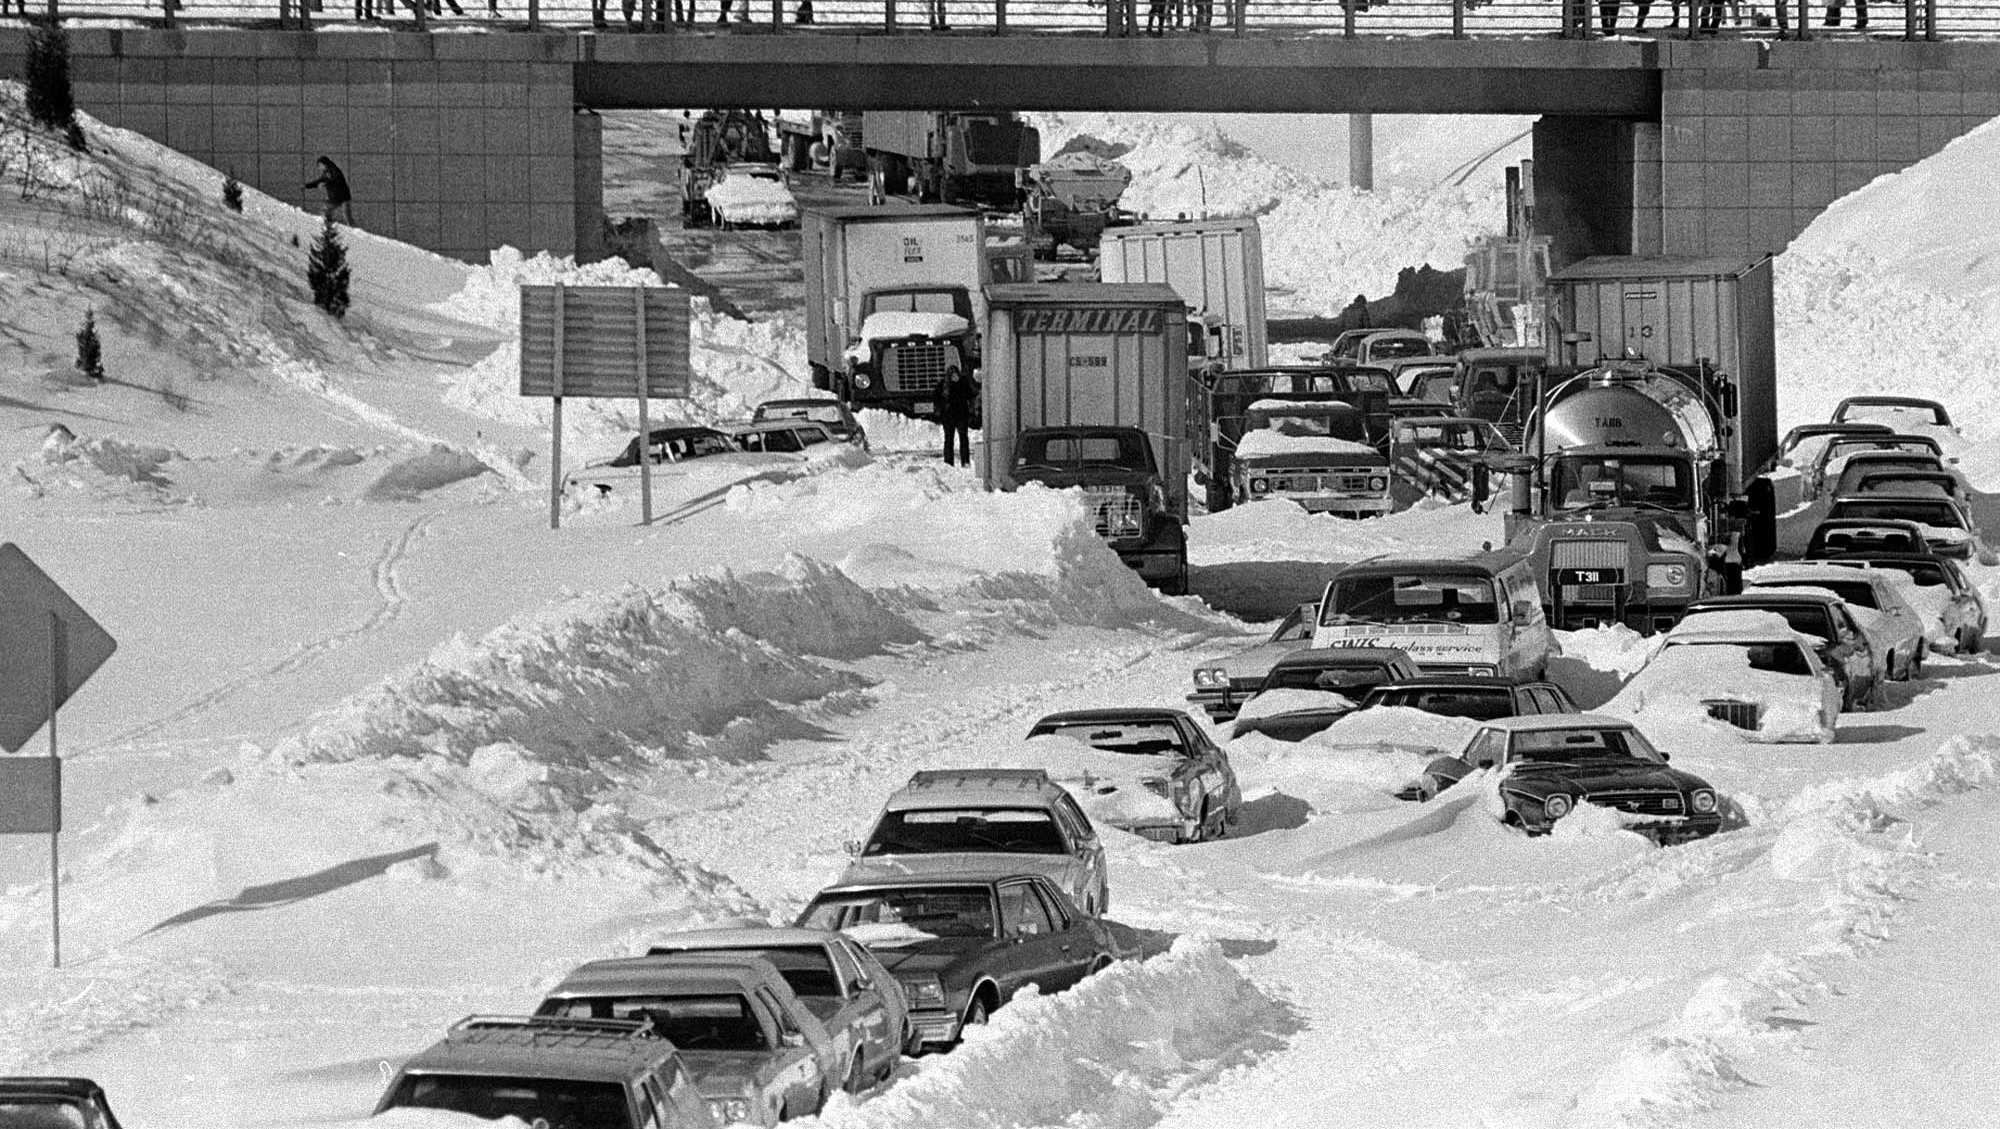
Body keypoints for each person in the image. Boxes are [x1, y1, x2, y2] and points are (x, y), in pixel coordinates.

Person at [940, 367, 976, 466]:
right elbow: (938, 398)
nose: (955, 377)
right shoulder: (944, 385)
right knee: (949, 439)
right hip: (949, 416)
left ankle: (965, 461)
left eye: (956, 375)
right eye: (953, 375)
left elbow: (971, 395)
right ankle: (949, 461)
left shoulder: (962, 383)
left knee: (963, 438)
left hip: (960, 415)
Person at [304, 156, 353, 225]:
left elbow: (336, 180)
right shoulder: (325, 173)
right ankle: (329, 228)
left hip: (343, 197)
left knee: (347, 216)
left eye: (320, 165)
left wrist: (325, 184)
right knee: (325, 212)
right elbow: (318, 182)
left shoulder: (334, 170)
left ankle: (353, 231)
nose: (319, 168)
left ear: (325, 164)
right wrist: (306, 186)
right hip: (334, 198)